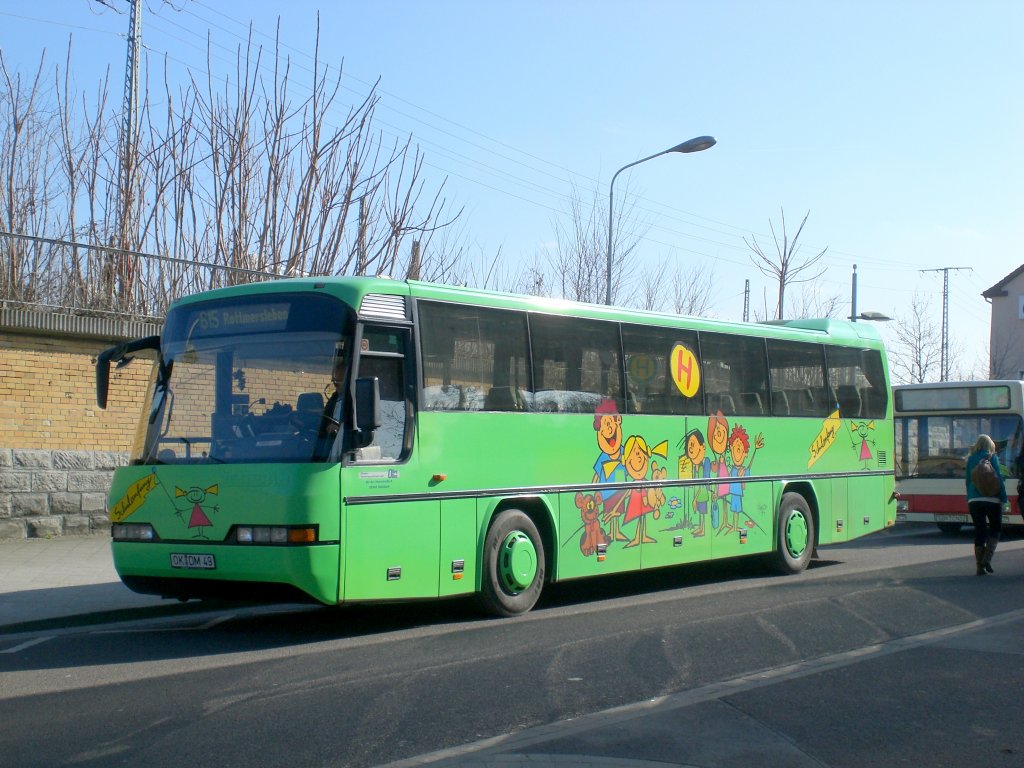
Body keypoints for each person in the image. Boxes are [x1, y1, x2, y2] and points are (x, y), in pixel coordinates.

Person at [965, 434, 1008, 575]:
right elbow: (999, 479)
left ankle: (979, 566)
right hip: (992, 499)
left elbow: (967, 481)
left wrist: (970, 497)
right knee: (995, 528)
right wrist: (1003, 497)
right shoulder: (992, 458)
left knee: (979, 531)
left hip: (974, 501)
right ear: (990, 445)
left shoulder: (970, 459)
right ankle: (987, 560)